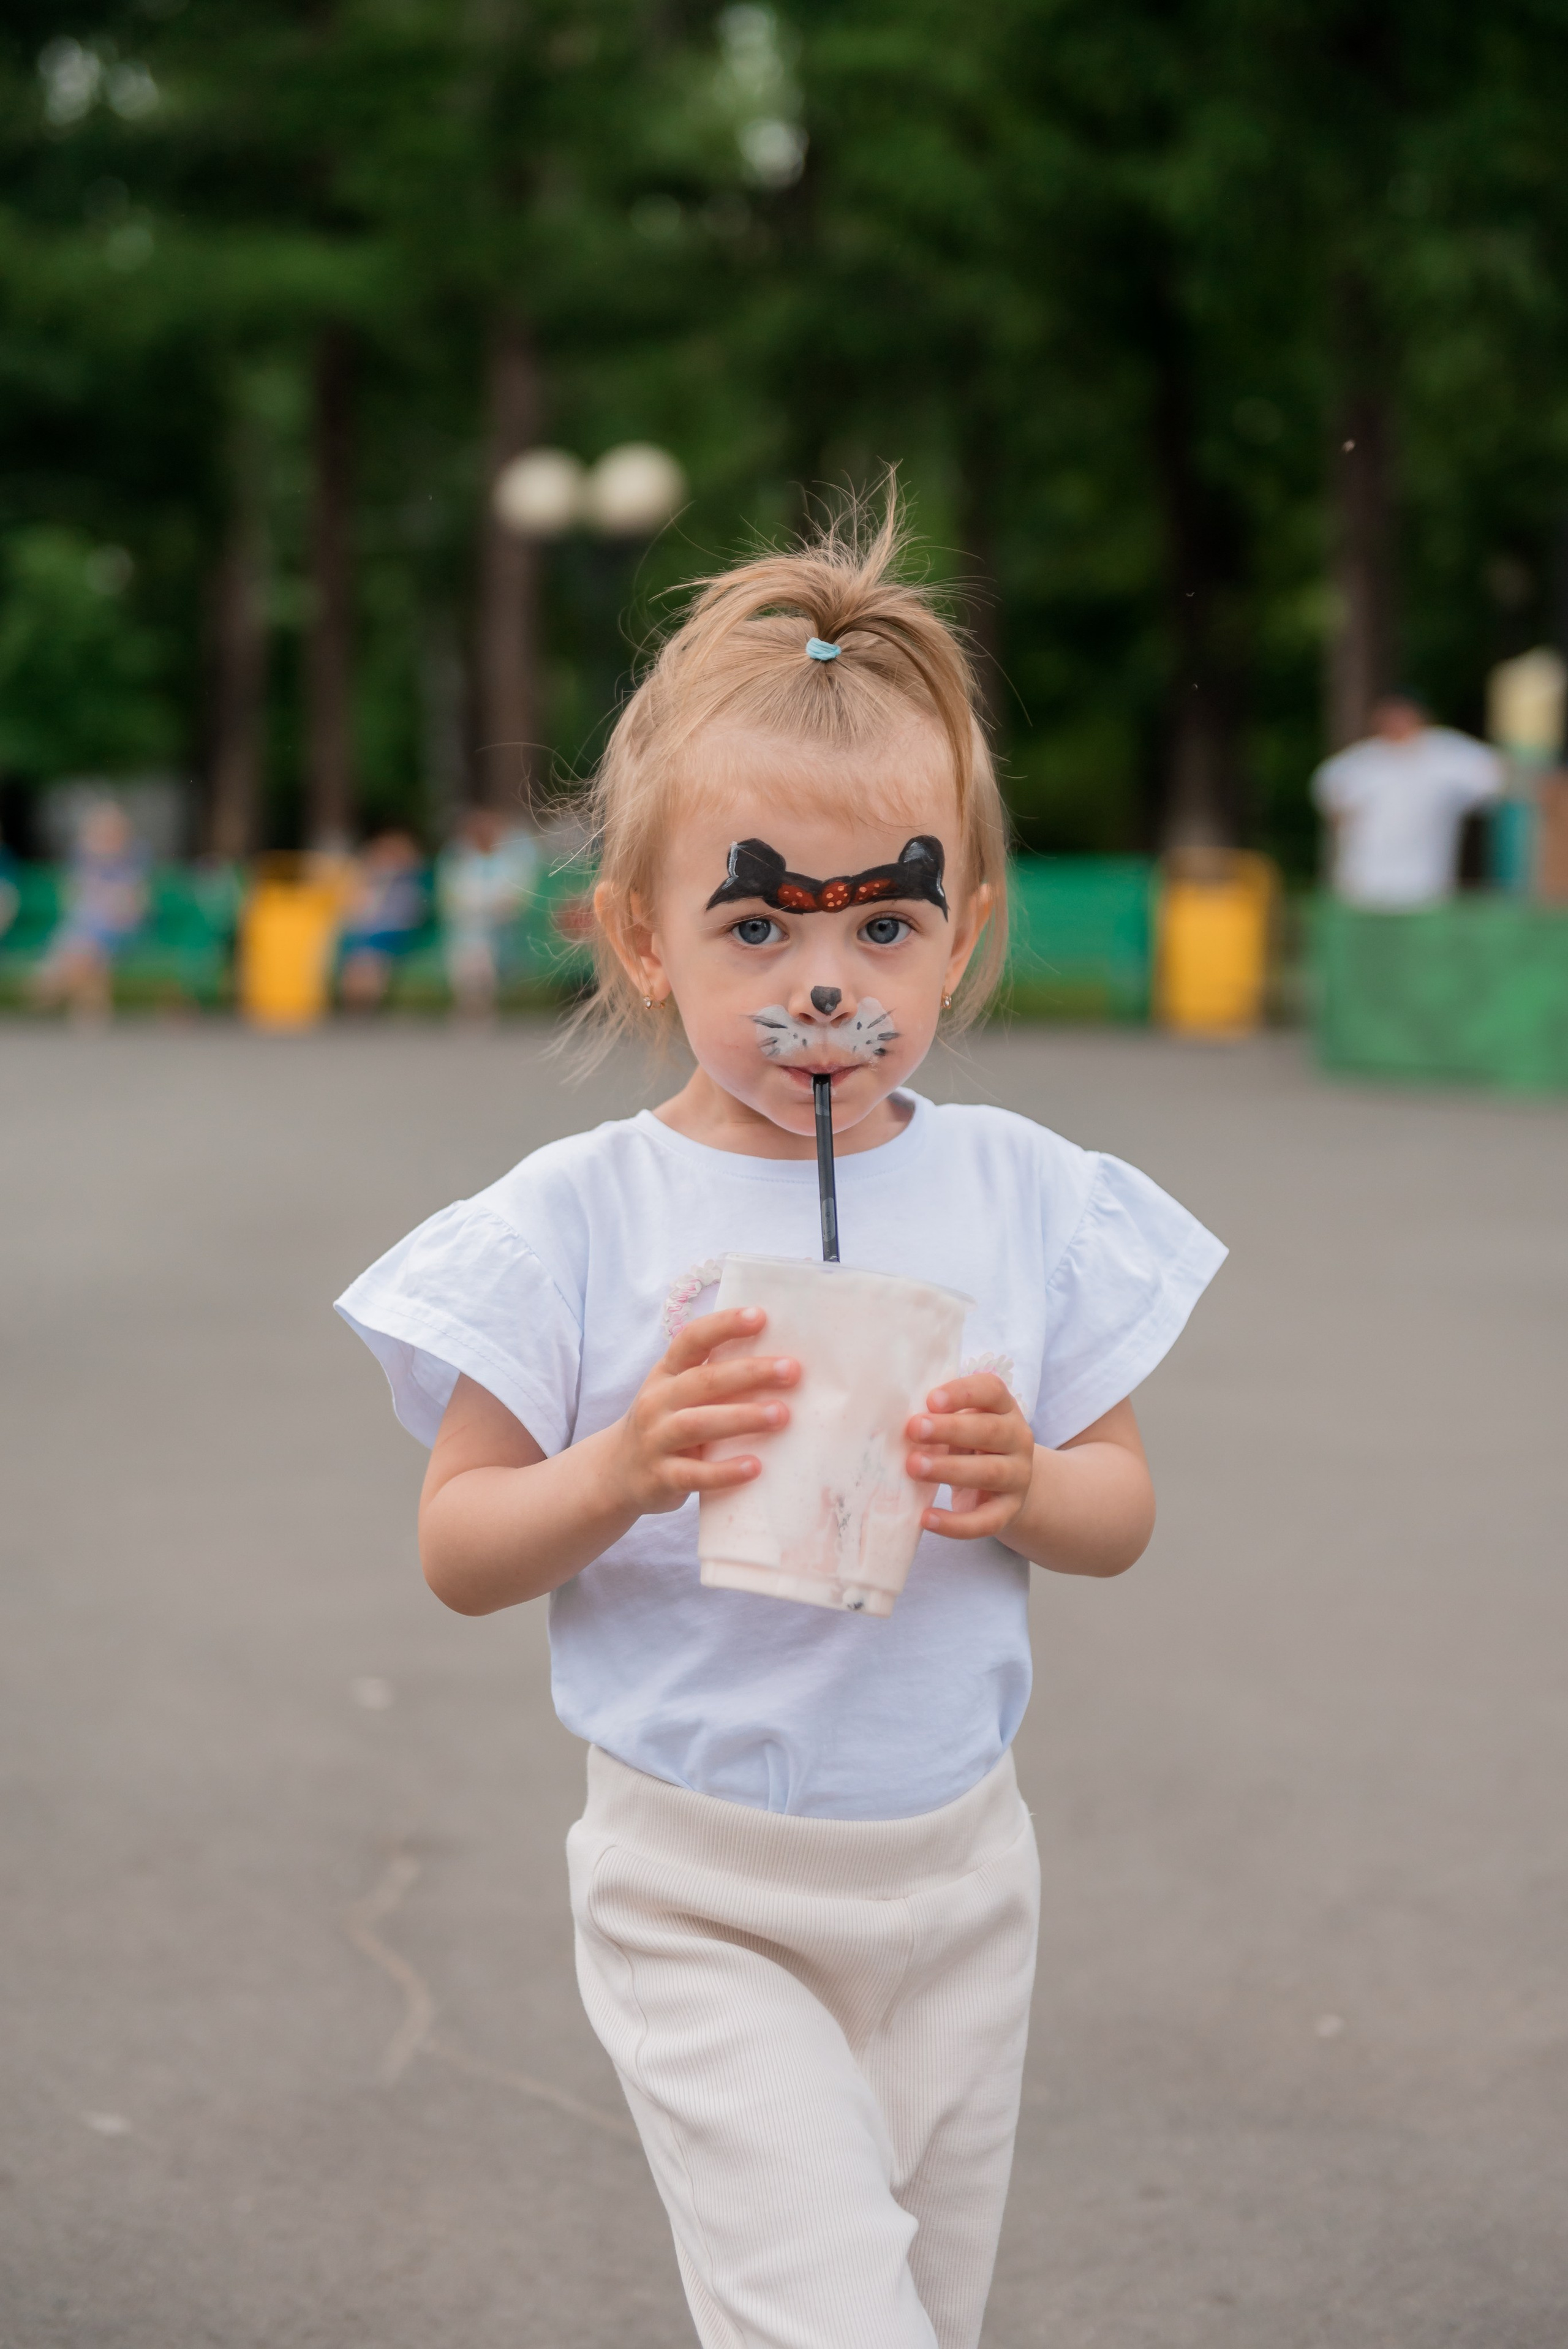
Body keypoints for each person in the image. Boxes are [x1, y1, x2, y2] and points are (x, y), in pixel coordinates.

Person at [335, 510, 1226, 2349]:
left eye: (885, 924)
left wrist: (1023, 1483)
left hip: (964, 1877)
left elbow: (1122, 1507)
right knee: (833, 2321)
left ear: (961, 930)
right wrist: (624, 1466)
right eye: (754, 923)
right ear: (640, 939)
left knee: (922, 2303)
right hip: (700, 1886)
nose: (826, 984)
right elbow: (459, 1548)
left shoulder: (1028, 1198)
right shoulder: (576, 1220)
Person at [1313, 693, 1503, 908]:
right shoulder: (1360, 762)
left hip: (1425, 886)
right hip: (1362, 885)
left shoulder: (1447, 753)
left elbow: (1498, 779)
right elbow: (1332, 799)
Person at [30, 798, 149, 1018]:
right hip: (84, 927)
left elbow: (134, 907)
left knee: (85, 948)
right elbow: (73, 901)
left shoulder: (132, 861)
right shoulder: (83, 860)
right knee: (81, 943)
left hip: (117, 928)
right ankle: (85, 1004)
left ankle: (59, 986)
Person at [435, 805, 537, 1017]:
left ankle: (483, 1003)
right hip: (466, 927)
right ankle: (469, 1003)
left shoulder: (509, 862)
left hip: (500, 929)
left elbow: (514, 899)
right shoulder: (460, 861)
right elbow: (451, 897)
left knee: (483, 953)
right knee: (468, 951)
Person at [336, 829, 428, 1011]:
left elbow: (410, 914)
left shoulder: (407, 884)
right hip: (368, 931)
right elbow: (355, 910)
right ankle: (357, 1006)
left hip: (391, 932)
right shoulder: (369, 880)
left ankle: (365, 1006)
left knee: (369, 960)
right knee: (360, 959)